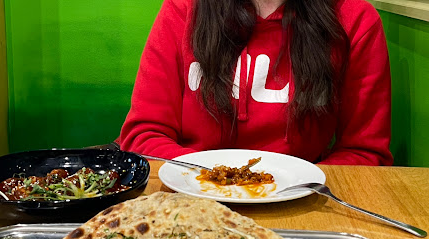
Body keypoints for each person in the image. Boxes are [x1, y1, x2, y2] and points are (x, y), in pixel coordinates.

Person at [119, 0, 393, 165]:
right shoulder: (182, 10)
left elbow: (364, 152)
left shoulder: (356, 20)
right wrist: (211, 180)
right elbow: (144, 135)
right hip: (192, 197)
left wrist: (297, 184)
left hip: (301, 202)